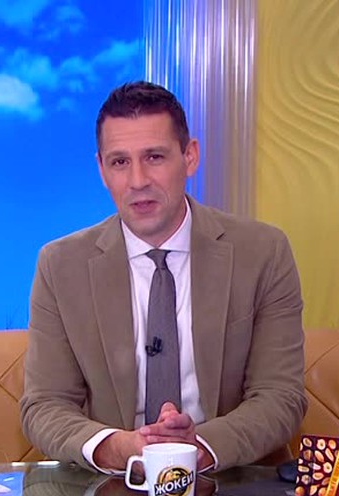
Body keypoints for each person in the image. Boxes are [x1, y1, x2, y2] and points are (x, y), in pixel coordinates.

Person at [20, 81, 306, 474]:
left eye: (154, 157)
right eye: (120, 162)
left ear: (190, 157)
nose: (138, 180)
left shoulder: (262, 253)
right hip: (111, 487)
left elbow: (280, 396)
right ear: (101, 170)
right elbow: (44, 405)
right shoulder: (60, 265)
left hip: (230, 479)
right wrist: (118, 448)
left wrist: (198, 447)